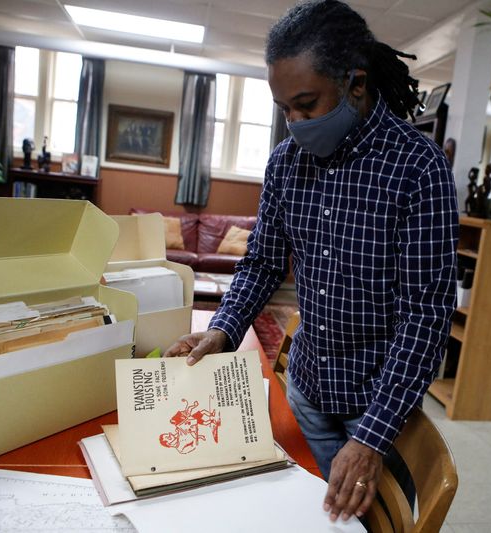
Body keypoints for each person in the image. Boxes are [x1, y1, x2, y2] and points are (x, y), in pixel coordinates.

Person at [164, 0, 458, 523]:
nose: (295, 124)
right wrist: (223, 329)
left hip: (376, 409)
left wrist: (371, 436)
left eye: (307, 104)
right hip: (305, 388)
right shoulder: (285, 163)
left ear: (356, 84)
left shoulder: (418, 168)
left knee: (358, 523)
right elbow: (262, 263)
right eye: (284, 109)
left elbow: (426, 315)